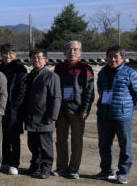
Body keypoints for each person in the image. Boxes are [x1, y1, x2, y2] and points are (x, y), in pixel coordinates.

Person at [92, 45, 137, 184]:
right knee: (104, 145)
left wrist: (127, 108)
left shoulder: (131, 73)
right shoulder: (102, 73)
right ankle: (106, 171)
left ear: (122, 58)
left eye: (116, 56)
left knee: (125, 146)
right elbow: (102, 92)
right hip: (104, 115)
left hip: (122, 117)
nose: (112, 59)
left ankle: (123, 173)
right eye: (109, 56)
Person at [53, 40, 95, 179]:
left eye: (75, 49)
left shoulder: (85, 68)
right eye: (69, 49)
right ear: (64, 52)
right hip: (61, 110)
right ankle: (61, 167)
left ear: (80, 52)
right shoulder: (59, 67)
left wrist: (86, 109)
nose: (72, 52)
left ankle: (74, 168)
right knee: (61, 140)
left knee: (77, 141)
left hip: (77, 110)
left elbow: (89, 92)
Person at [23, 49, 61, 179]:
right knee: (32, 144)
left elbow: (56, 97)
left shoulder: (51, 76)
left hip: (45, 116)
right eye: (34, 57)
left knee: (45, 144)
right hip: (31, 115)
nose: (36, 60)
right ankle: (35, 165)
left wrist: (53, 115)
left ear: (45, 60)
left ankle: (46, 168)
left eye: (39, 57)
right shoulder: (29, 76)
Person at [0, 43, 27, 176]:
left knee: (14, 137)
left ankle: (14, 163)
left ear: (15, 54)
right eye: (5, 53)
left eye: (11, 53)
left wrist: (14, 104)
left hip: (14, 108)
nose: (8, 56)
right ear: (1, 54)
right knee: (2, 136)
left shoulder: (20, 69)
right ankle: (5, 161)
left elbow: (22, 90)